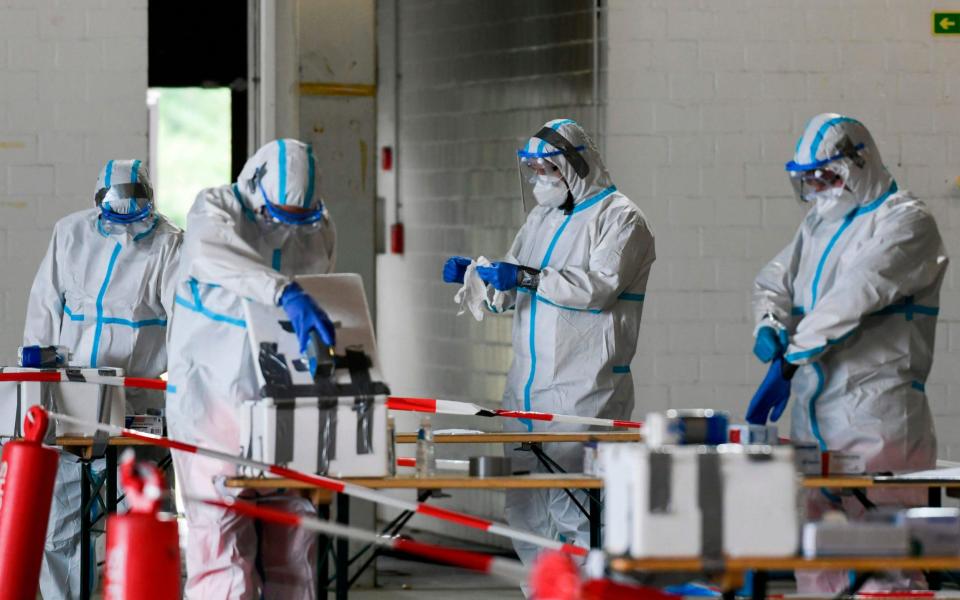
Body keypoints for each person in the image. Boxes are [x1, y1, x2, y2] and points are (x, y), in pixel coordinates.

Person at [748, 113, 948, 593]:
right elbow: (774, 280)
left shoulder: (906, 222)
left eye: (826, 175)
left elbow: (856, 294)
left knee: (885, 565)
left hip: (876, 421)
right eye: (808, 179)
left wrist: (793, 354)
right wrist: (770, 324)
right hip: (814, 422)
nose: (818, 188)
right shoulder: (817, 226)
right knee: (819, 561)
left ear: (859, 163)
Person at [443, 118, 656, 568]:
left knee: (579, 514)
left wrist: (524, 277)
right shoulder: (539, 219)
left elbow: (598, 288)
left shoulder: (619, 218)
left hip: (584, 396)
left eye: (548, 170)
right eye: (534, 172)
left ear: (575, 167)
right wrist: (478, 279)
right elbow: (513, 289)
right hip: (525, 393)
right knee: (525, 514)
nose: (540, 181)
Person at [166, 139, 336, 599]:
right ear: (256, 188)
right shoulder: (214, 210)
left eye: (298, 220)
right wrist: (283, 292)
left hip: (284, 402)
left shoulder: (315, 227)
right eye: (278, 216)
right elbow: (214, 257)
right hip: (210, 405)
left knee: (295, 549)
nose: (287, 228)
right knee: (223, 556)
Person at [23, 159, 182, 599]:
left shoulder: (170, 246)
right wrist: (37, 386)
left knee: (145, 520)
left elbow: (184, 326)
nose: (128, 232)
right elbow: (43, 307)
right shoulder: (70, 233)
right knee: (61, 525)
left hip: (137, 406)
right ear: (99, 204)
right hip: (69, 407)